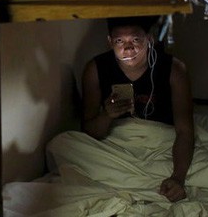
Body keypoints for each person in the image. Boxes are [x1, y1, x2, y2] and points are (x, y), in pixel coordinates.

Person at [80, 16, 194, 202]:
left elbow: (185, 131)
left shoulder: (173, 69)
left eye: (135, 40)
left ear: (149, 39)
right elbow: (89, 132)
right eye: (119, 41)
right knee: (61, 144)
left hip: (161, 144)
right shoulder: (96, 69)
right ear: (109, 42)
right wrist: (107, 115)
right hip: (116, 147)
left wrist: (178, 178)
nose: (128, 48)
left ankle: (139, 182)